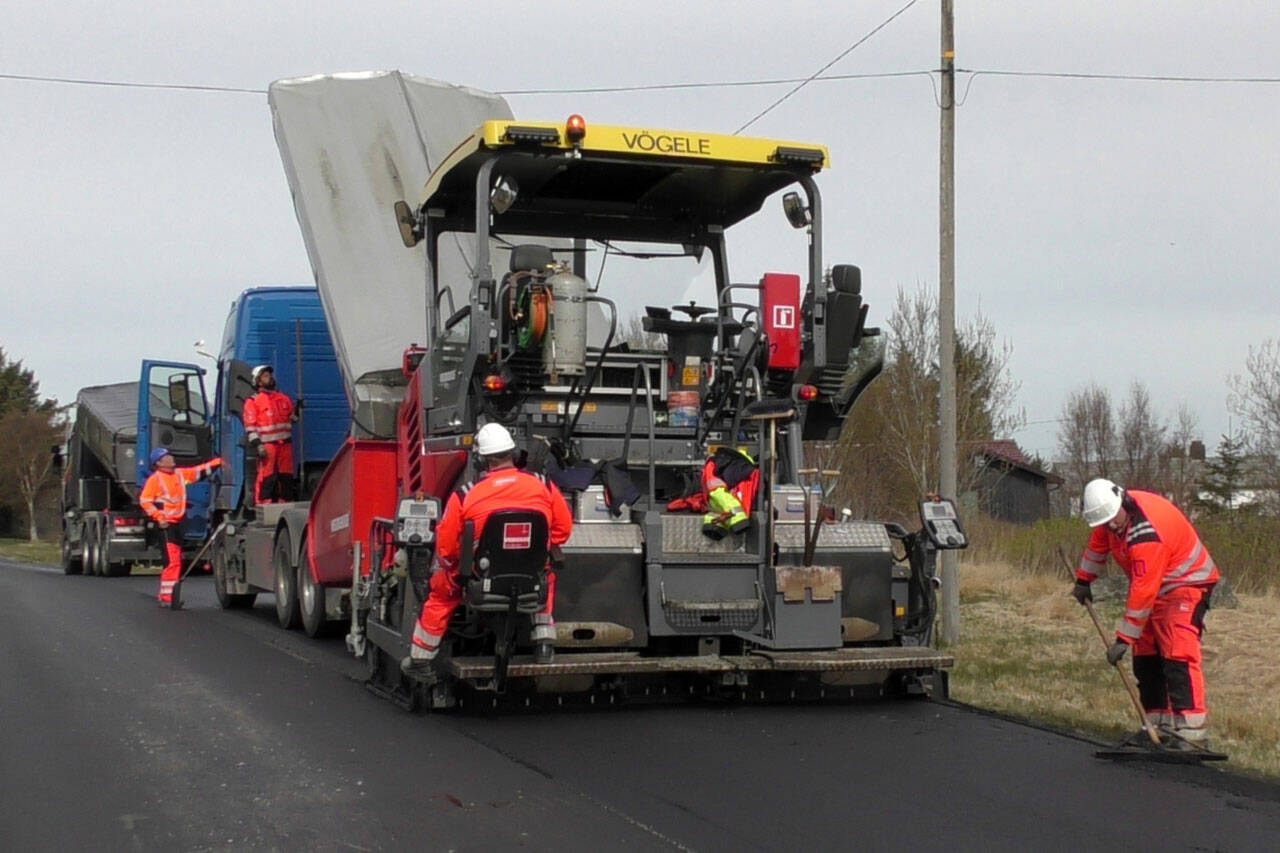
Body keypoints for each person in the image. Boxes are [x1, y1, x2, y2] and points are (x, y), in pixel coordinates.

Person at [403, 423, 572, 675]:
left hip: (482, 578)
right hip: (530, 580)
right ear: (513, 454)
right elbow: (563, 529)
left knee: (440, 591)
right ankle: (544, 645)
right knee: (546, 572)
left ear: (482, 460)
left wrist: (454, 567)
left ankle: (420, 659)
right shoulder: (543, 485)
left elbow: (446, 549)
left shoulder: (464, 495)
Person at [1072, 477, 1219, 742]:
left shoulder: (1146, 534)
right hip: (1156, 584)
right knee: (1146, 654)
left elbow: (1143, 591)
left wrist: (1123, 639)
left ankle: (1191, 733)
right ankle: (1156, 725)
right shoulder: (1109, 516)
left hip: (1186, 583)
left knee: (1177, 652)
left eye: (1112, 520)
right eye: (1105, 523)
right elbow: (1097, 548)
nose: (1111, 526)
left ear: (1122, 502)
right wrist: (1084, 579)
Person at [139, 447, 222, 607]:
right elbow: (145, 501)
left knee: (174, 561)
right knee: (172, 562)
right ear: (159, 463)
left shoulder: (179, 474)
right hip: (166, 525)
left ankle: (166, 596)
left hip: (177, 523)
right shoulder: (155, 480)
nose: (171, 458)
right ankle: (168, 598)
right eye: (167, 457)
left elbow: (198, 472)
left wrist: (218, 462)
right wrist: (159, 517)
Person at [241, 365, 300, 504]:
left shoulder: (283, 398)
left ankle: (284, 503)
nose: (270, 378)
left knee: (286, 475)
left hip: (285, 443)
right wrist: (258, 445)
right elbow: (250, 428)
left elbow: (292, 419)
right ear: (258, 381)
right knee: (267, 476)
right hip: (267, 445)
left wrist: (297, 411)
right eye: (266, 376)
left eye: (270, 375)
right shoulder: (253, 401)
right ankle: (263, 504)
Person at [700, 447, 758, 539]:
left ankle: (718, 523)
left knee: (716, 494)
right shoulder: (719, 465)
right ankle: (718, 523)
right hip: (739, 469)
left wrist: (738, 517)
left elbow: (717, 493)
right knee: (717, 495)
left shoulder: (713, 466)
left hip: (733, 512)